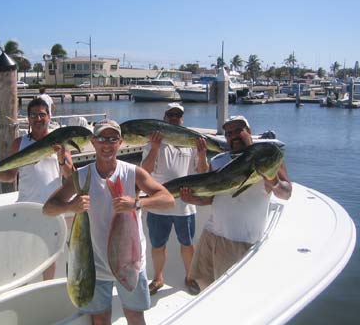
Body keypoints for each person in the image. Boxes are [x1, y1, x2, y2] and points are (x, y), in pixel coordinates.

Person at [43, 119, 175, 325]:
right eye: (102, 138)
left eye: (112, 139)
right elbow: (48, 208)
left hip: (131, 264)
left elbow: (168, 199)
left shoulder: (133, 172)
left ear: (120, 142)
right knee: (101, 318)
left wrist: (137, 203)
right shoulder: (82, 176)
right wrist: (71, 207)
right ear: (93, 142)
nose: (107, 144)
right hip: (95, 266)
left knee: (135, 315)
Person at [180, 115, 292, 291]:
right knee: (203, 284)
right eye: (228, 133)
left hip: (240, 241)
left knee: (229, 292)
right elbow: (211, 198)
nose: (233, 135)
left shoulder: (265, 157)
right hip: (211, 234)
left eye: (238, 130)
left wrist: (274, 182)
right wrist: (192, 199)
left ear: (249, 131)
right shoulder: (218, 161)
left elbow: (286, 193)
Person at [0, 97, 73, 280]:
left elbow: (70, 176)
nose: (38, 119)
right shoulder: (19, 143)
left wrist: (62, 155)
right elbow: (9, 176)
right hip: (26, 207)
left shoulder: (60, 141)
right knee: (26, 252)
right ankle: (28, 289)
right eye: (34, 115)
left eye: (42, 115)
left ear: (49, 117)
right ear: (28, 119)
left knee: (50, 253)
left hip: (52, 206)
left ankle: (45, 290)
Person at [141, 102, 209, 296]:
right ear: (164, 118)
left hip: (184, 204)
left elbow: (202, 172)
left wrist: (203, 154)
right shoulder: (152, 142)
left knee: (187, 244)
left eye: (177, 115)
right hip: (158, 205)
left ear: (182, 119)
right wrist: (155, 147)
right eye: (170, 114)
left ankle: (190, 276)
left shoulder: (192, 142)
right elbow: (144, 171)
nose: (173, 118)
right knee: (157, 245)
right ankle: (158, 278)